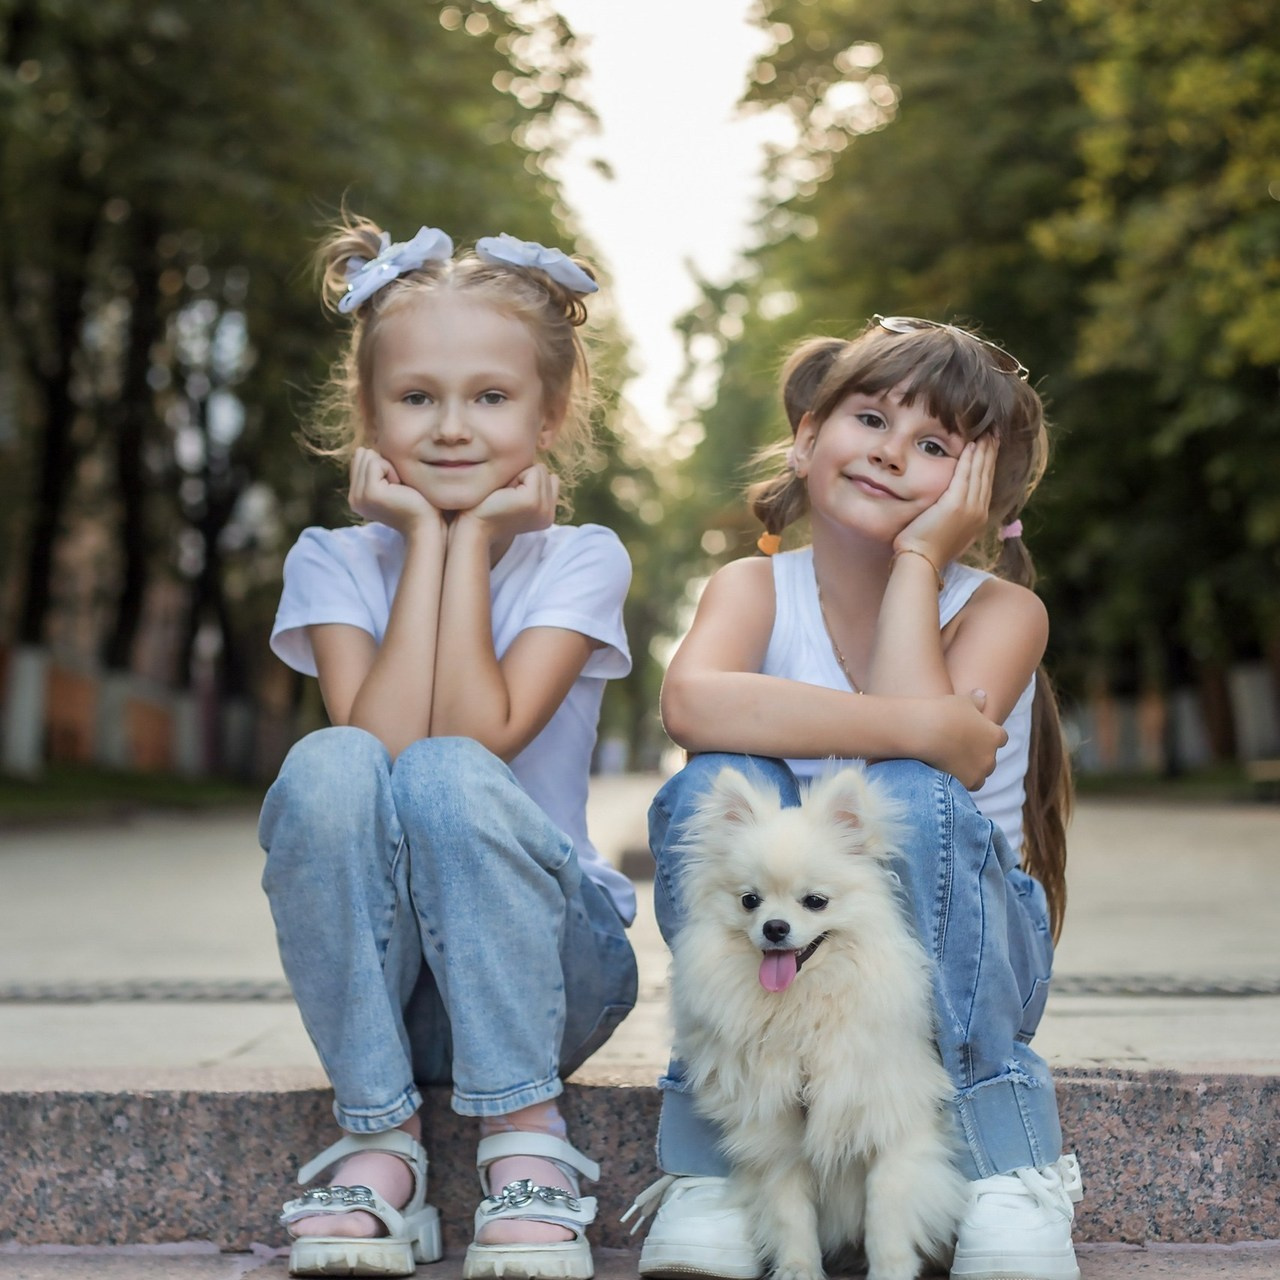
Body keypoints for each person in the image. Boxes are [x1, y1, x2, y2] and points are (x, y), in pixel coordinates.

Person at [626, 316, 1082, 1280]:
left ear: (980, 495)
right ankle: (715, 1162)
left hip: (972, 964)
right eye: (869, 418)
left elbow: (934, 774)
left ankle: (1009, 1163)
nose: (889, 452)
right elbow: (691, 705)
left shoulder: (1002, 611)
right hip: (789, 975)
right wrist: (920, 726)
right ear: (804, 438)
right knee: (712, 788)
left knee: (909, 798)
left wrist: (921, 562)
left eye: (935, 448)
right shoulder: (753, 590)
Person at [259, 218, 639, 1280]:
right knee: (329, 763)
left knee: (445, 772)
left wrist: (470, 537)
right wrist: (430, 537)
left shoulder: (580, 559)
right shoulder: (333, 559)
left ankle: (529, 1138)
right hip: (391, 996)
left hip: (552, 975)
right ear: (368, 413)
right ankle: (380, 1136)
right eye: (417, 397)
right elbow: (373, 749)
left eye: (489, 397)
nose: (452, 427)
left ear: (550, 411)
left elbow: (473, 740)